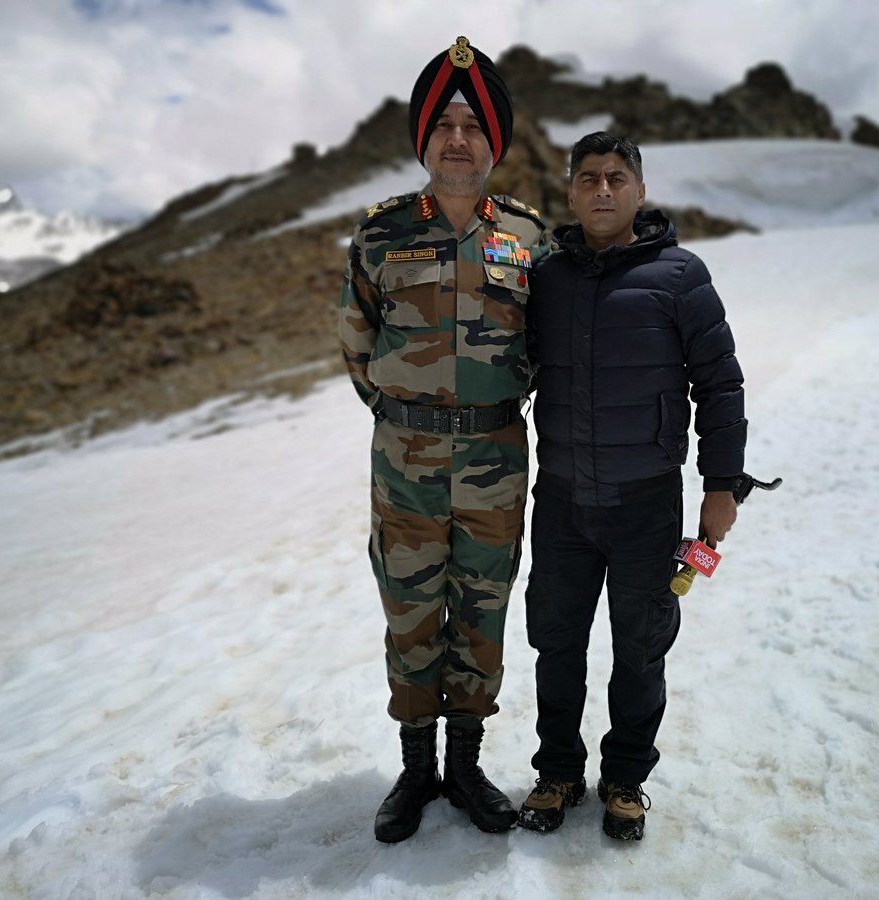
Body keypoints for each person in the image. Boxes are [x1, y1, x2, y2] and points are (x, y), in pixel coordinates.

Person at [339, 35, 550, 844]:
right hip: (407, 465)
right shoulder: (383, 234)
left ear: (494, 142)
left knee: (482, 614)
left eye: (473, 125)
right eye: (443, 125)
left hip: (497, 459)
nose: (457, 138)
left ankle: (466, 762)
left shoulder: (530, 239)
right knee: (410, 614)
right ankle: (417, 765)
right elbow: (357, 346)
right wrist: (408, 418)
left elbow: (552, 343)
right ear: (424, 141)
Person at [518, 132, 748, 841]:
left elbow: (720, 384)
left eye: (617, 177)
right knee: (555, 642)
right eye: (589, 178)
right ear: (571, 192)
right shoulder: (545, 279)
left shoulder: (680, 276)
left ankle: (625, 780)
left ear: (640, 190)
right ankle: (558, 771)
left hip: (646, 502)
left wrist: (723, 485)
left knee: (640, 647)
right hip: (559, 500)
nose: (604, 190)